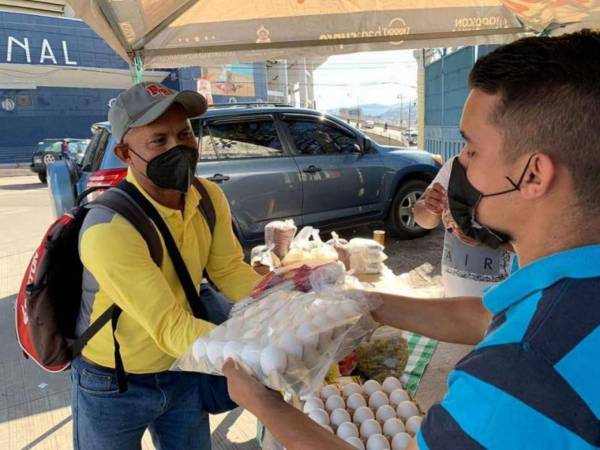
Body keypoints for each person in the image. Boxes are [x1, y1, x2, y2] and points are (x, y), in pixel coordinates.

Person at [222, 30, 600, 449]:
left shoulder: (518, 373)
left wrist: (265, 405)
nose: (462, 167)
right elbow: (487, 318)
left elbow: (518, 337)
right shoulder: (567, 288)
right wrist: (369, 305)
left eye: (471, 150)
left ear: (532, 175)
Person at [71, 82, 261, 450]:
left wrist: (284, 300)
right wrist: (258, 352)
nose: (179, 148)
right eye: (159, 141)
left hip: (181, 368)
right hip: (113, 383)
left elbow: (228, 269)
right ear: (126, 153)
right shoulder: (109, 229)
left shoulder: (208, 196)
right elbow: (169, 325)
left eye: (185, 134)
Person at [413, 152, 514, 297]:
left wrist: (487, 240)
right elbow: (421, 219)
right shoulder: (456, 165)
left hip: (503, 306)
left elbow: (546, 248)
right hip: (453, 299)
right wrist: (431, 208)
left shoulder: (519, 173)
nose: (466, 150)